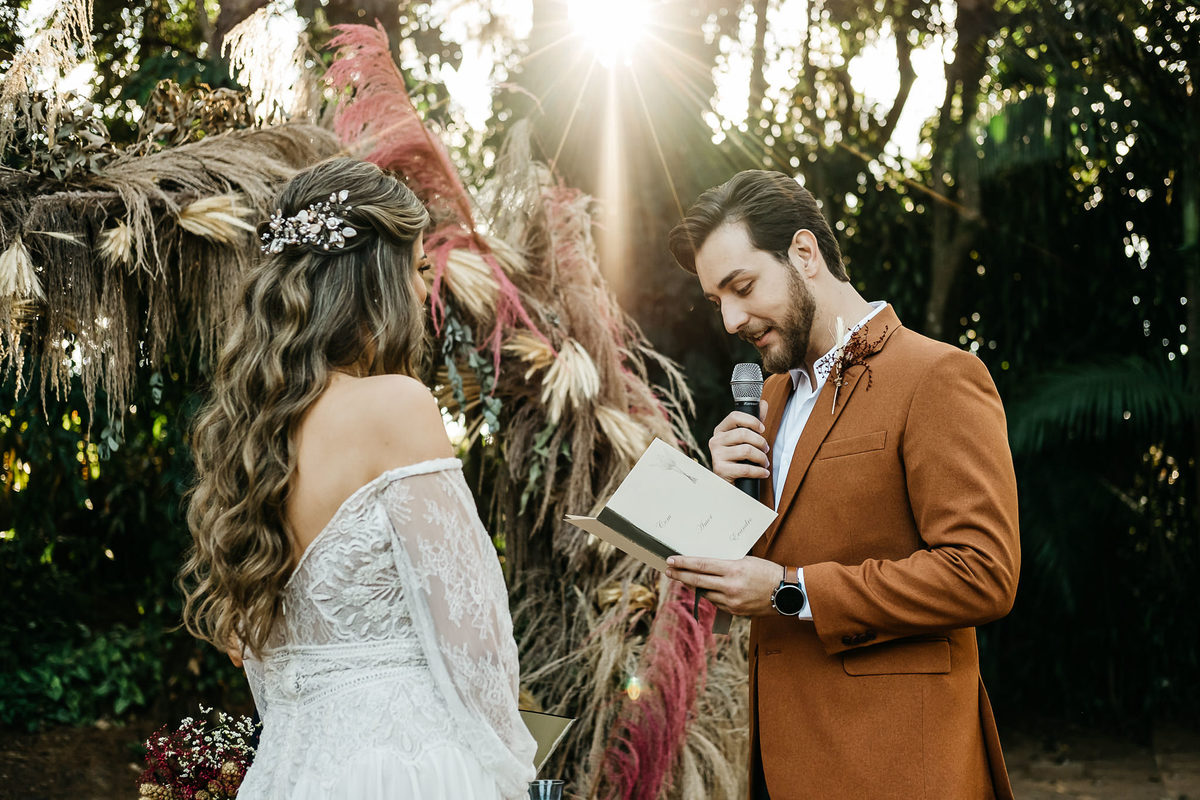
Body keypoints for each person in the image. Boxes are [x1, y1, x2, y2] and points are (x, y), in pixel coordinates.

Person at [180, 157, 537, 799]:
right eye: (419, 269)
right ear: (377, 276)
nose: (425, 293)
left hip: (292, 771)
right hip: (408, 762)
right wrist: (510, 765)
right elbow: (474, 634)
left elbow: (268, 667)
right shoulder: (394, 406)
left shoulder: (249, 440)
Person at [663, 170, 1020, 799]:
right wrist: (721, 499)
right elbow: (755, 576)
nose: (730, 320)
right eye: (716, 300)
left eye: (741, 288)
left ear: (804, 254)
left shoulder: (939, 376)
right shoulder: (768, 399)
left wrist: (791, 594)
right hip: (781, 765)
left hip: (897, 769)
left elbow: (982, 573)